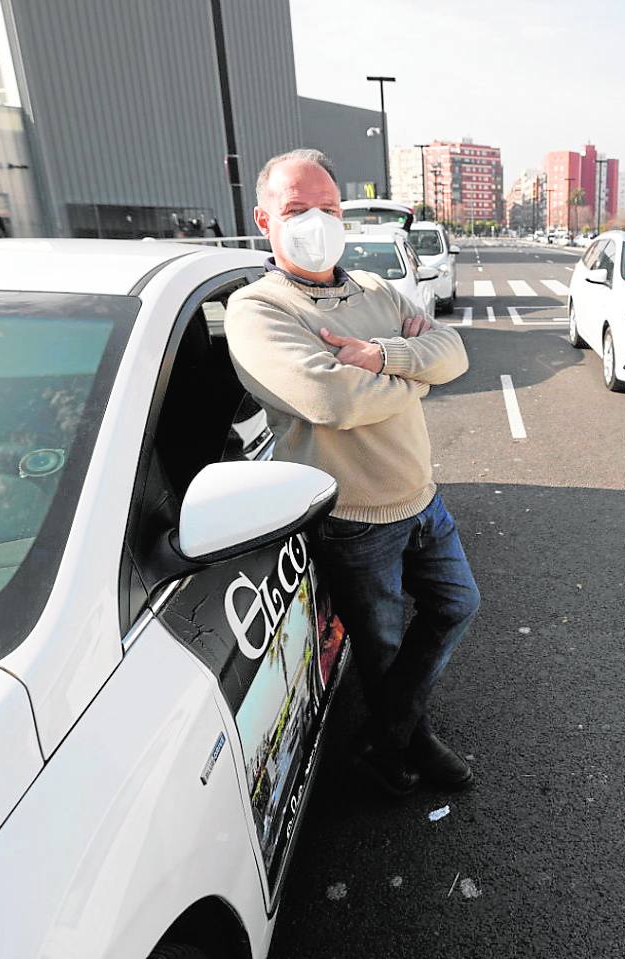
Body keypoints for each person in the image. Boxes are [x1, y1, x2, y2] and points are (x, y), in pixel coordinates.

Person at [225, 149, 479, 796]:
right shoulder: (260, 309)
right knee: (383, 650)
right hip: (356, 519)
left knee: (457, 605)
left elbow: (453, 353)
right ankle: (406, 745)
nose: (317, 221)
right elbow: (330, 400)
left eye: (329, 208)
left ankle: (385, 739)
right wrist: (414, 379)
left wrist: (382, 355)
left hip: (423, 499)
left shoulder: (375, 290)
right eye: (297, 210)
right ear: (264, 219)